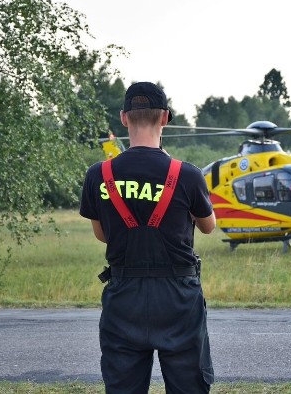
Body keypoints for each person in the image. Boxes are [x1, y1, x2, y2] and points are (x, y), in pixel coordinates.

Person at [79, 82, 216, 393]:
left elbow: (102, 236)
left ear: (124, 118)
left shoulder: (98, 175)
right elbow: (209, 226)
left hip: (124, 298)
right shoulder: (188, 175)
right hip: (178, 300)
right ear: (165, 118)